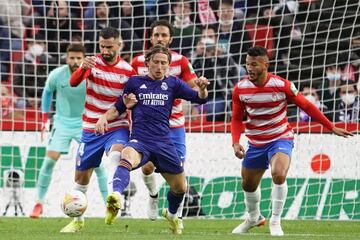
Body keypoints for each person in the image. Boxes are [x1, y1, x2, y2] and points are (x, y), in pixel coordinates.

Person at [231, 46, 353, 236]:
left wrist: (330, 126)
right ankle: (254, 218)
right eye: (247, 64)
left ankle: (275, 220)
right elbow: (237, 118)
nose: (250, 68)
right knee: (248, 184)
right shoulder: (240, 89)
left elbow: (307, 106)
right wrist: (235, 141)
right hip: (255, 141)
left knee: (278, 174)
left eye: (254, 64)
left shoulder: (282, 85)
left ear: (265, 65)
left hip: (280, 137)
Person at [95, 45, 209, 234]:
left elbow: (200, 99)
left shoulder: (173, 83)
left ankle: (172, 215)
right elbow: (118, 108)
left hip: (164, 142)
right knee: (126, 156)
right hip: (140, 139)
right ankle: (116, 196)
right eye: (155, 62)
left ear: (168, 66)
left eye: (163, 63)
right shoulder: (134, 82)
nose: (159, 66)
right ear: (147, 63)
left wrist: (203, 89)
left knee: (181, 187)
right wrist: (103, 118)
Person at [60, 27, 135, 233]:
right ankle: (78, 220)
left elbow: (127, 101)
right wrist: (82, 67)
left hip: (116, 126)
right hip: (91, 129)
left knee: (116, 156)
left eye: (109, 46)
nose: (105, 50)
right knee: (81, 180)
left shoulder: (128, 71)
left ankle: (113, 199)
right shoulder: (92, 63)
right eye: (102, 46)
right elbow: (73, 83)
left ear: (119, 45)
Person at [29, 44, 108, 218]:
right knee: (49, 161)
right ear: (66, 58)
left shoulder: (91, 75)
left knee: (99, 165)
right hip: (62, 123)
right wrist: (44, 119)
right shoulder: (57, 75)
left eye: (78, 58)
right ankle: (38, 203)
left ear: (84, 58)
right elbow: (47, 92)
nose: (75, 61)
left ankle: (108, 204)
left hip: (85, 124)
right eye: (72, 58)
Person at [131, 19, 198, 224]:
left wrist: (197, 87)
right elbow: (129, 90)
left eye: (164, 35)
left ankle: (174, 214)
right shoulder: (138, 62)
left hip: (174, 124)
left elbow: (193, 88)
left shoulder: (182, 61)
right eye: (156, 35)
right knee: (147, 168)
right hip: (147, 126)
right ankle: (153, 196)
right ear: (150, 38)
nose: (160, 38)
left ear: (170, 38)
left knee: (178, 171)